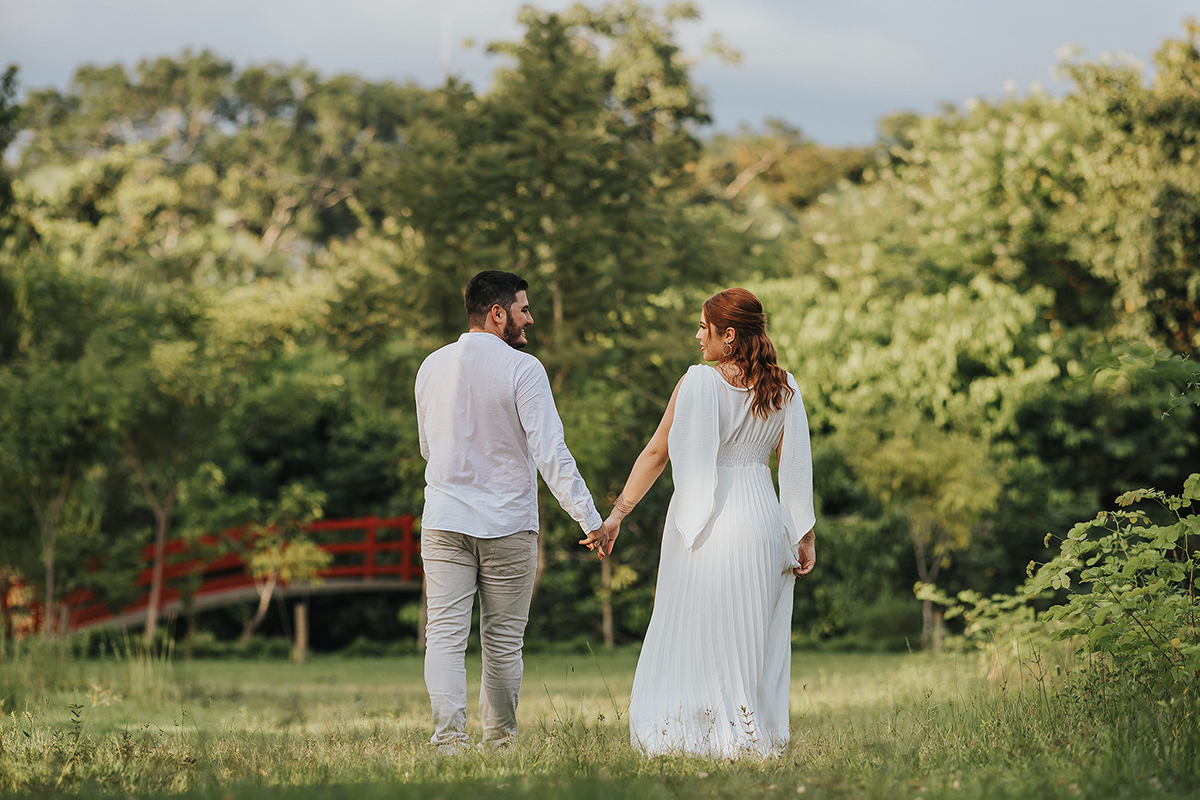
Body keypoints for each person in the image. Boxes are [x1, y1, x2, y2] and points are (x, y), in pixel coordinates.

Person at [581, 287, 816, 758]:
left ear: (728, 335)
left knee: (698, 631)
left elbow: (656, 453)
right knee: (750, 638)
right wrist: (803, 535)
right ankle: (749, 733)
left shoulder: (698, 382)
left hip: (710, 525)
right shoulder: (785, 388)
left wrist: (616, 516)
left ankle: (699, 732)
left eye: (703, 328)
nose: (697, 335)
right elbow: (795, 472)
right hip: (764, 525)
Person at [416, 270, 605, 752]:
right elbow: (551, 453)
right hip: (507, 525)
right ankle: (498, 743)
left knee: (444, 636)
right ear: (498, 314)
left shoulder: (431, 366)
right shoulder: (524, 369)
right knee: (501, 642)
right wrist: (590, 519)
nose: (530, 318)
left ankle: (448, 743)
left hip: (443, 520)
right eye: (523, 309)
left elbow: (427, 447)